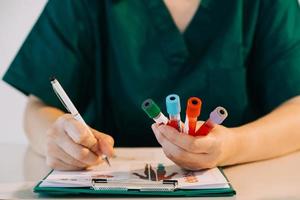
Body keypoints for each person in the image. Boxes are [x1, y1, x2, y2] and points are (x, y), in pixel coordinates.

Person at [3, 0, 300, 171]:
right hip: (103, 180)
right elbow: (39, 107)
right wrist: (55, 139)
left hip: (242, 183)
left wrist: (232, 146)